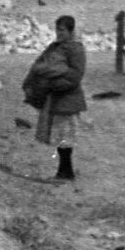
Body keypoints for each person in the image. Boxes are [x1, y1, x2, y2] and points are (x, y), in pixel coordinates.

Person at [23, 15, 87, 184]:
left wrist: (54, 82)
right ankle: (64, 171)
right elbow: (38, 66)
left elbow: (75, 75)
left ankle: (66, 172)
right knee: (59, 136)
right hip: (54, 98)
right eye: (57, 29)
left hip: (67, 98)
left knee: (65, 136)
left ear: (71, 31)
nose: (59, 33)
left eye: (62, 30)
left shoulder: (76, 49)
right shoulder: (54, 48)